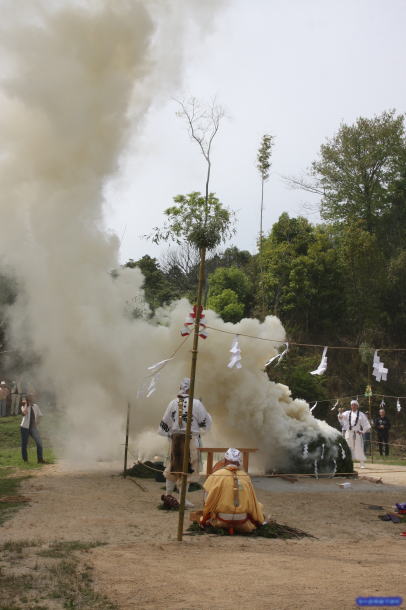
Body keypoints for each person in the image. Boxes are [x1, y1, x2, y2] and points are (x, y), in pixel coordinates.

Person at [158, 377, 212, 509]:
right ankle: (182, 499)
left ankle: (168, 495)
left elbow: (165, 422)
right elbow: (205, 422)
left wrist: (170, 434)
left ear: (180, 388)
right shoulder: (197, 404)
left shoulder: (173, 403)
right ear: (190, 389)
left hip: (175, 440)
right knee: (188, 469)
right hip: (190, 440)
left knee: (172, 467)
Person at [200, 448, 266, 533]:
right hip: (242, 520)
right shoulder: (245, 477)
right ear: (238, 462)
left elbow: (206, 500)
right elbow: (253, 502)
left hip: (221, 519)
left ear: (225, 460)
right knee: (259, 505)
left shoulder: (216, 475)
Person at [338, 400, 371, 468]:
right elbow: (341, 418)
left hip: (357, 433)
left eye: (355, 405)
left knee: (359, 447)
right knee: (348, 447)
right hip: (349, 432)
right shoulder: (347, 413)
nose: (353, 406)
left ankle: (362, 463)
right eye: (352, 405)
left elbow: (366, 424)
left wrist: (362, 431)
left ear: (357, 406)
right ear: (351, 406)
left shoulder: (361, 414)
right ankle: (348, 463)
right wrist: (340, 413)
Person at [20, 396, 46, 463]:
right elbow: (24, 413)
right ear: (27, 400)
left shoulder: (36, 406)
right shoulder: (23, 406)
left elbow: (40, 415)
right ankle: (25, 460)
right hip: (24, 428)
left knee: (39, 442)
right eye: (29, 400)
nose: (31, 400)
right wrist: (26, 405)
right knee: (24, 444)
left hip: (33, 428)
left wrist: (37, 423)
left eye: (32, 399)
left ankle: (40, 459)